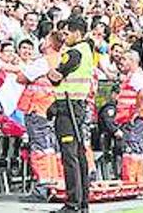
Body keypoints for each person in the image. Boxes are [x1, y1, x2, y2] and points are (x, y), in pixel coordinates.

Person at [48, 16, 95, 213]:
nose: (64, 37)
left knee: (70, 156)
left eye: (67, 33)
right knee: (79, 154)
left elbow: (56, 77)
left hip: (68, 108)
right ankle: (82, 202)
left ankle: (73, 203)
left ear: (77, 32)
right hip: (77, 106)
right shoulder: (86, 51)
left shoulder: (74, 52)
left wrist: (50, 70)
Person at [17, 37, 58, 192]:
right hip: (52, 110)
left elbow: (21, 78)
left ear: (49, 44)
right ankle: (53, 181)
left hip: (38, 109)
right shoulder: (61, 59)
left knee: (40, 147)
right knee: (51, 147)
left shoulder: (42, 62)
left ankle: (43, 185)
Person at [115, 51, 143, 184]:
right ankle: (135, 179)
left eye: (124, 59)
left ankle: (132, 180)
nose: (121, 62)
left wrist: (135, 113)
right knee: (133, 147)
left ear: (133, 61)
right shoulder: (132, 76)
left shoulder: (136, 77)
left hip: (135, 118)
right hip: (131, 117)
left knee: (133, 147)